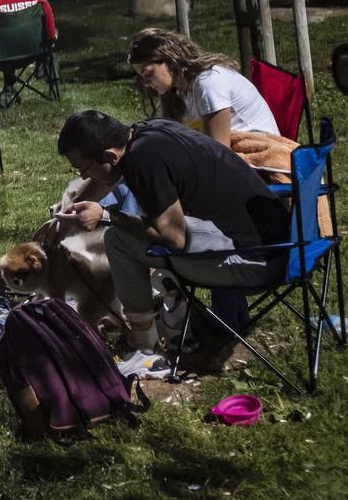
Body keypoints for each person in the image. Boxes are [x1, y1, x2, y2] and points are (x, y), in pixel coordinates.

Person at [54, 110, 290, 378]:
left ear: (110, 156)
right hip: (285, 246)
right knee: (133, 229)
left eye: (82, 169)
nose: (82, 175)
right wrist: (70, 211)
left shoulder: (143, 162)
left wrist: (107, 216)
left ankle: (145, 345)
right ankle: (153, 333)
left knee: (118, 239)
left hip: (255, 262)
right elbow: (103, 178)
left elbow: (173, 238)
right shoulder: (147, 132)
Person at [127, 28, 277, 146]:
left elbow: (218, 151)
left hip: (261, 163)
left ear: (170, 60)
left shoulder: (209, 83)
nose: (146, 83)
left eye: (148, 73)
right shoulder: (183, 91)